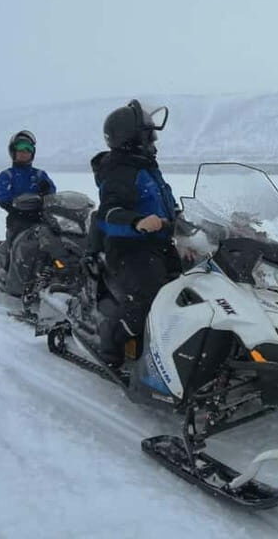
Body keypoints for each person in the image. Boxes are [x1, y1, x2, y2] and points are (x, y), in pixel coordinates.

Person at [93, 99, 181, 367]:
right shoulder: (120, 171)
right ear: (132, 138)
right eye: (148, 134)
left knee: (194, 287)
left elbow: (167, 206)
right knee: (148, 297)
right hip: (130, 248)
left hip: (160, 244)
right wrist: (137, 222)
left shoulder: (146, 167)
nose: (153, 139)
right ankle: (111, 343)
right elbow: (108, 214)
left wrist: (187, 222)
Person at [0, 130, 57, 246]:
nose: (24, 152)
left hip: (41, 218)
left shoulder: (39, 175)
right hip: (18, 220)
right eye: (21, 148)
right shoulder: (7, 175)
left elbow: (53, 193)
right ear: (13, 151)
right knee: (17, 246)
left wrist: (47, 190)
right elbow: (2, 197)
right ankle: (9, 262)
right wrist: (19, 208)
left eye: (29, 149)